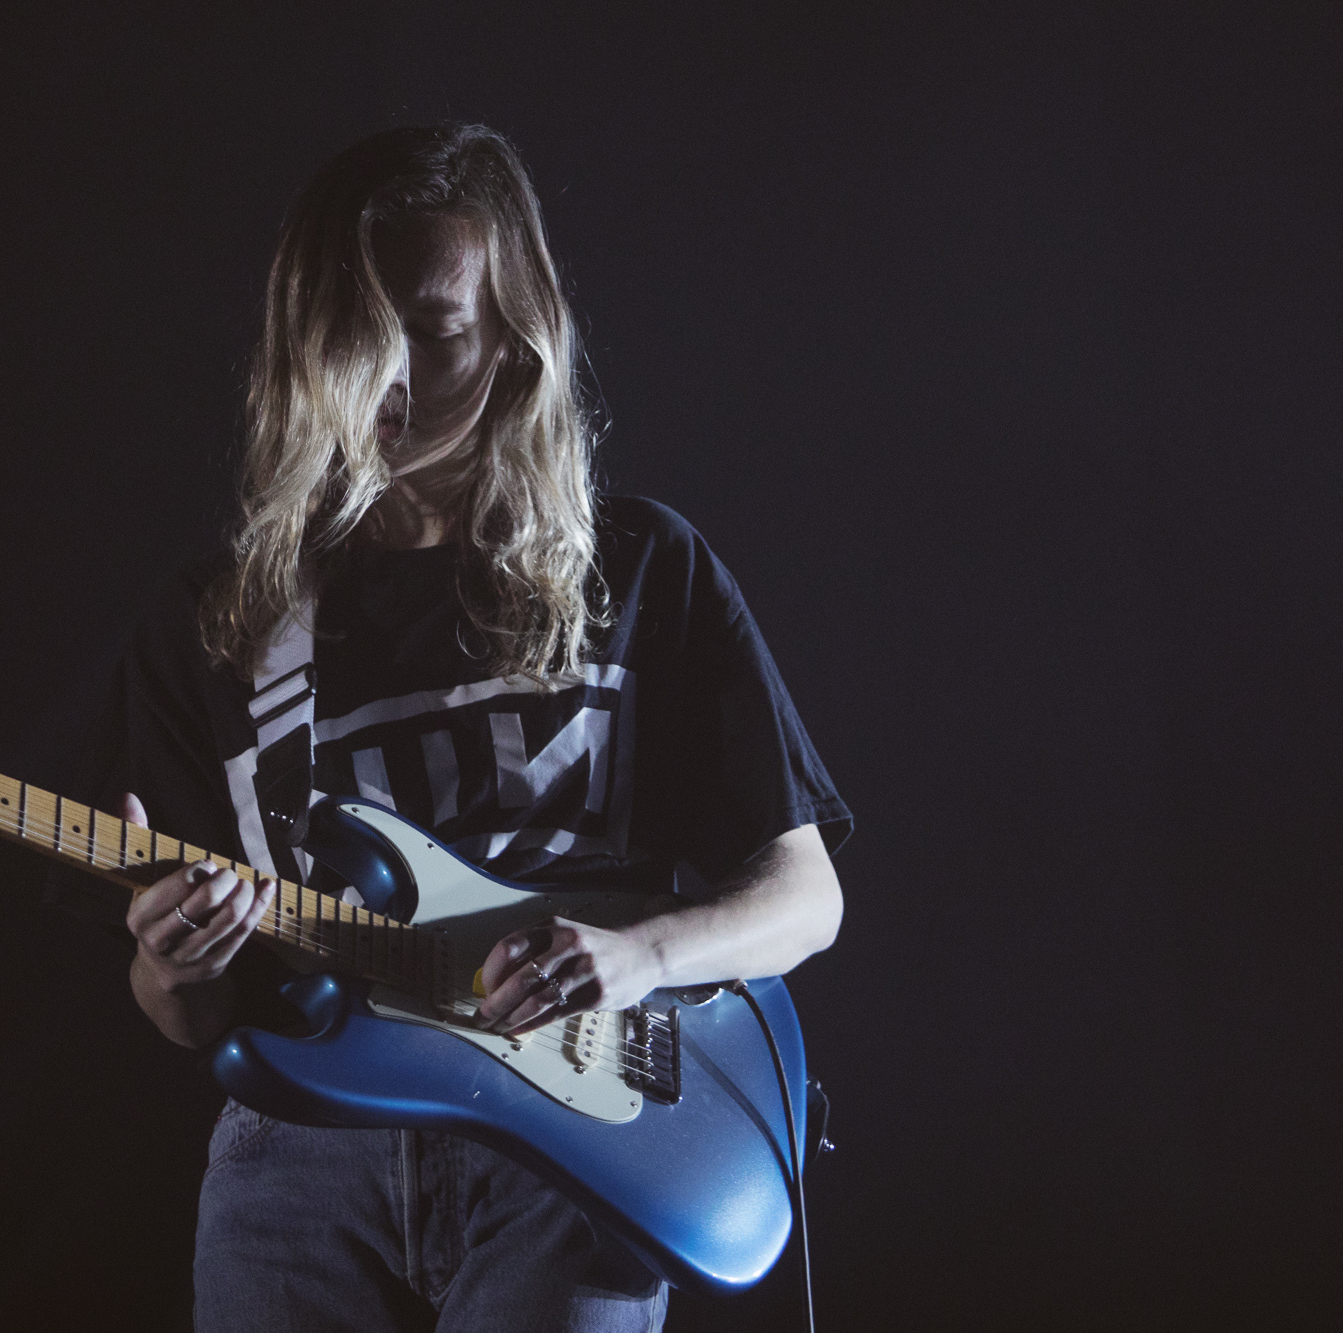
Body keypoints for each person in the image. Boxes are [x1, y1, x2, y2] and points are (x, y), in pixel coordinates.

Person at [80, 124, 851, 1332]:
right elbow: (190, 1014)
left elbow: (805, 900)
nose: (382, 377)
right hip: (299, 1162)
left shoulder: (643, 569)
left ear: (512, 336)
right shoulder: (217, 621)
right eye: (349, 331)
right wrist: (170, 965)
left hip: (567, 1163)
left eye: (431, 333)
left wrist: (638, 957)